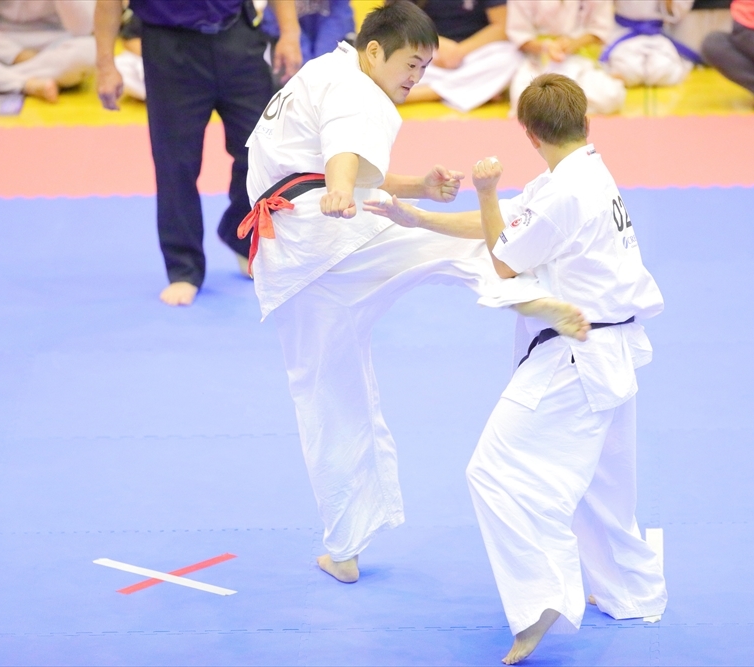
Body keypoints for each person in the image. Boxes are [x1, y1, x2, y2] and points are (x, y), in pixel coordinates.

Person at [242, 1, 587, 585]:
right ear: (375, 50)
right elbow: (341, 156)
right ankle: (522, 292)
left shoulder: (323, 72)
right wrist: (343, 190)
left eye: (425, 68)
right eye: (411, 64)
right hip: (332, 231)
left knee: (329, 401)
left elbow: (330, 167)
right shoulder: (358, 90)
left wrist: (415, 187)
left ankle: (344, 549)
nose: (416, 78)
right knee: (462, 244)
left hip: (293, 261)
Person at [369, 74, 667, 664]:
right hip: (612, 348)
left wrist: (483, 190)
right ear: (584, 120)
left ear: (528, 132)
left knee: (494, 471)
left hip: (575, 355)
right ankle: (632, 592)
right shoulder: (583, 173)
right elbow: (512, 224)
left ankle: (542, 600)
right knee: (605, 487)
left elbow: (504, 258)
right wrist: (420, 219)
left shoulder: (565, 192)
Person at [95, 0, 302, 305]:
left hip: (238, 35)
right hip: (170, 47)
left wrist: (290, 33)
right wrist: (105, 65)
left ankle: (240, 233)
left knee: (263, 149)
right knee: (176, 163)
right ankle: (184, 268)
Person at [506, 0, 626, 114]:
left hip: (578, 57)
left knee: (611, 97)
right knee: (520, 99)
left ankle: (559, 112)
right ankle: (567, 111)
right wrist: (545, 46)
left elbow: (600, 29)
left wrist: (574, 43)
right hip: (538, 59)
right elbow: (519, 33)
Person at [401, 0, 523, 112]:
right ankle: (474, 89)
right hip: (427, 51)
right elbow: (399, 23)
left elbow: (502, 26)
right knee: (396, 58)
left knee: (512, 57)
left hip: (474, 55)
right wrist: (435, 43)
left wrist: (460, 51)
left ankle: (423, 93)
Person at [603, 0, 699, 87]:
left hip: (656, 34)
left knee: (663, 70)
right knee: (627, 70)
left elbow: (678, 10)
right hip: (622, 32)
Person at [260, 0, 356, 66]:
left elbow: (338, 18)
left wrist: (323, 61)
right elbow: (280, 21)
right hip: (283, 36)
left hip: (327, 34)